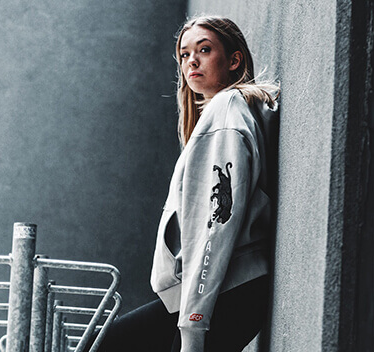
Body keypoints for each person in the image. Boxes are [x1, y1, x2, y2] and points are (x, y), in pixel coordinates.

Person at [96, 16, 280, 352]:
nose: (191, 60)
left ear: (234, 59)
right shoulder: (226, 113)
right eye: (184, 54)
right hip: (221, 291)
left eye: (204, 50)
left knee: (107, 344)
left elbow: (214, 227)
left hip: (224, 292)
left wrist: (194, 323)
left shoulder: (226, 111)